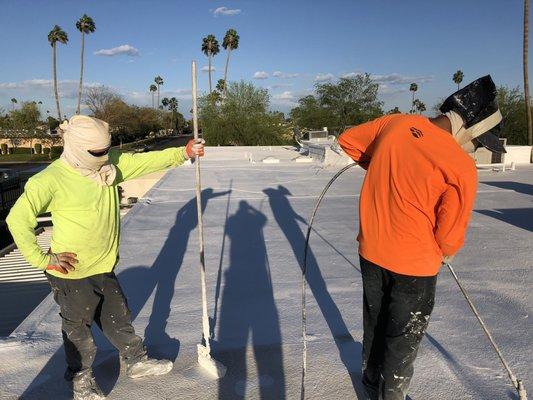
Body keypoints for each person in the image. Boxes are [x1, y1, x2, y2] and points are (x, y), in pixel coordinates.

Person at [6, 115, 205, 400]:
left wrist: (183, 153)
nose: (103, 157)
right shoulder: (50, 179)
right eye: (97, 152)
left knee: (118, 317)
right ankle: (80, 381)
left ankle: (135, 362)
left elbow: (142, 163)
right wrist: (43, 259)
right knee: (79, 333)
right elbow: (17, 219)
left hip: (103, 264)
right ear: (76, 147)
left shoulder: (109, 166)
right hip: (70, 272)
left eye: (106, 150)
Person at [338, 76, 504, 400]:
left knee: (375, 321)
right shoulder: (461, 166)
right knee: (402, 337)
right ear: (470, 128)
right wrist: (447, 250)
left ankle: (370, 386)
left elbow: (348, 141)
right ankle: (391, 395)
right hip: (415, 266)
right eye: (480, 142)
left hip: (371, 250)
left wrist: (385, 165)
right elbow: (449, 236)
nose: (476, 149)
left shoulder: (395, 123)